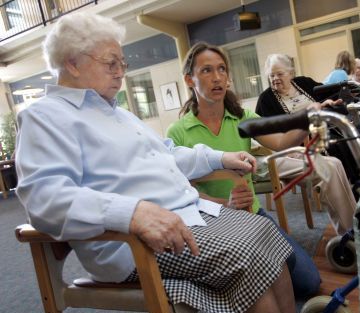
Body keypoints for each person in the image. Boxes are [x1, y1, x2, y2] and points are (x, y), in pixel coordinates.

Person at [15, 13, 296, 313]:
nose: (120, 72)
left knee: (262, 232)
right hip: (132, 242)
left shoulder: (118, 113)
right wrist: (131, 212)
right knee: (246, 253)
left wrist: (219, 157)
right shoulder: (46, 116)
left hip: (186, 214)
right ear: (72, 61)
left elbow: (168, 154)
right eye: (111, 63)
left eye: (122, 63)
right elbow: (44, 198)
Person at [167, 42, 321, 299]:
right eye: (206, 70)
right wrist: (222, 204)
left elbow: (281, 141)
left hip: (253, 214)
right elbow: (183, 191)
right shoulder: (178, 132)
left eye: (221, 69)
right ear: (189, 80)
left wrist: (311, 119)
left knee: (308, 283)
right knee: (261, 282)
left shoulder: (242, 117)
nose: (217, 78)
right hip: (213, 222)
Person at [255, 53, 358, 235]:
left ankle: (356, 206)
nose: (275, 79)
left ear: (291, 73)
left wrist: (328, 102)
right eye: (271, 75)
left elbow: (327, 93)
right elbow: (272, 133)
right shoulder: (266, 99)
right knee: (335, 151)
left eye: (280, 74)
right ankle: (350, 226)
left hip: (322, 132)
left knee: (348, 140)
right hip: (296, 145)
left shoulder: (303, 83)